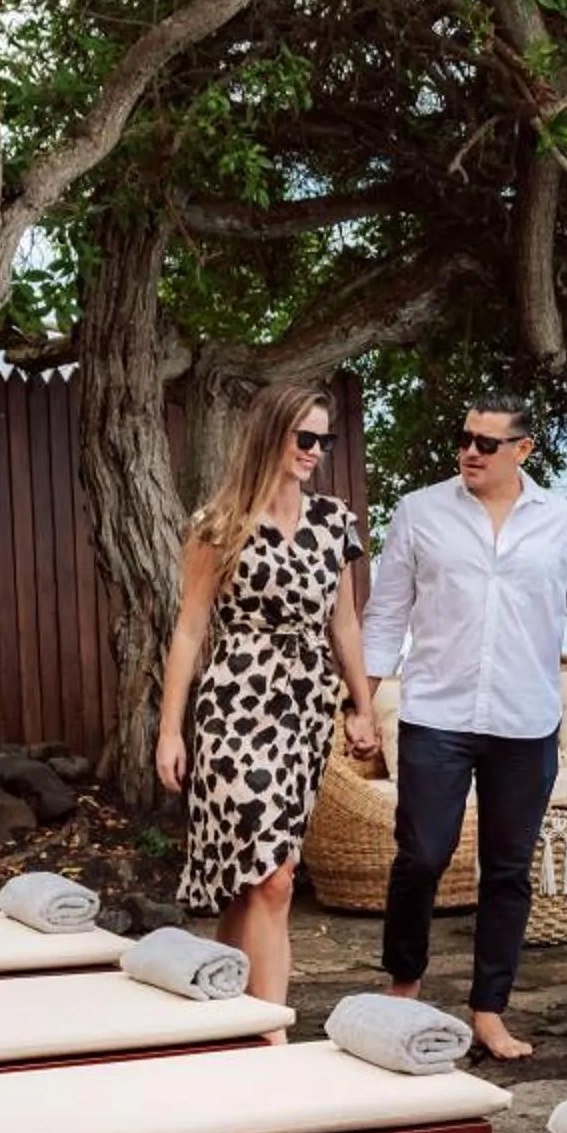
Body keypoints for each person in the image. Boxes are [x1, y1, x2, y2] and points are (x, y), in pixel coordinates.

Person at [360, 394, 567, 1060]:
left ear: (522, 450)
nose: (470, 452)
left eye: (486, 443)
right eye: (464, 438)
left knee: (507, 871)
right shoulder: (419, 511)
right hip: (436, 715)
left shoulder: (564, 522)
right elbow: (386, 615)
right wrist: (361, 702)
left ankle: (489, 1010)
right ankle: (403, 984)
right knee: (422, 855)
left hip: (524, 720)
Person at [154, 383, 378, 1025]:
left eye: (323, 440)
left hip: (304, 710)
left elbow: (344, 624)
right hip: (234, 705)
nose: (315, 451)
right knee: (273, 876)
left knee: (252, 880)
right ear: (270, 434)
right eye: (304, 437)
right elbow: (189, 629)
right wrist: (170, 731)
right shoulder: (218, 525)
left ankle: (218, 1014)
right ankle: (270, 1034)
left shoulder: (334, 522)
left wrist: (361, 707)